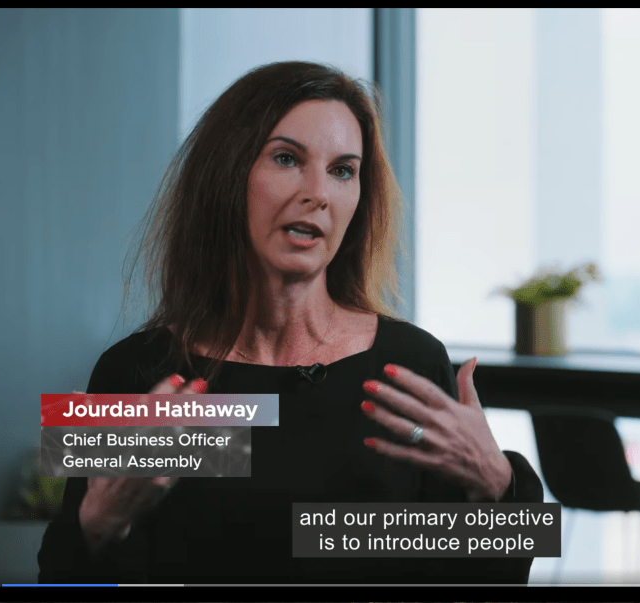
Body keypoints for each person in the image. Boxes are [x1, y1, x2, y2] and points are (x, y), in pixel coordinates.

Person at [37, 60, 543, 585]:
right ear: (227, 175)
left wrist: (499, 484)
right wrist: (98, 524)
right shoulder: (135, 371)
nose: (318, 193)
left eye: (343, 170)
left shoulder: (411, 364)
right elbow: (57, 578)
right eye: (286, 159)